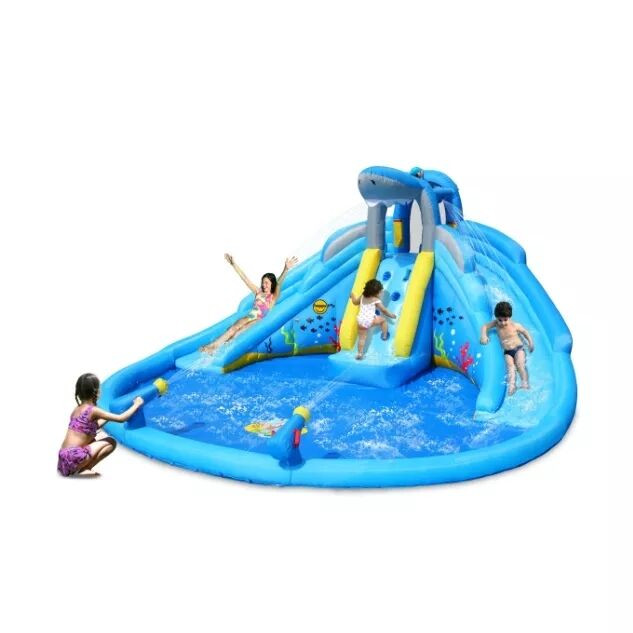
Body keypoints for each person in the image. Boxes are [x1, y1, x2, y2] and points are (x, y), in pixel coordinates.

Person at [200, 253, 299, 354]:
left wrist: (285, 269)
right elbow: (245, 278)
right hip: (249, 317)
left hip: (258, 320)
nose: (264, 285)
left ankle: (219, 350)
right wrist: (234, 264)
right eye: (263, 282)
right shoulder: (258, 292)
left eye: (266, 283)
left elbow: (278, 284)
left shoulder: (273, 297)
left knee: (237, 333)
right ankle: (213, 347)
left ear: (271, 284)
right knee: (232, 328)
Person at [58, 373, 144, 477]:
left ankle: (79, 467)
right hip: (75, 457)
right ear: (96, 391)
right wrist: (136, 404)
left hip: (63, 458)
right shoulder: (93, 410)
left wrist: (109, 416)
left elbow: (89, 427)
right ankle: (85, 469)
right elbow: (121, 419)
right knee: (111, 442)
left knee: (95, 438)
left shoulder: (76, 409)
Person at [480, 301, 535, 395]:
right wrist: (483, 336)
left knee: (520, 365)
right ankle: (512, 386)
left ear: (510, 317)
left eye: (505, 320)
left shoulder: (515, 325)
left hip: (518, 349)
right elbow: (485, 326)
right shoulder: (495, 324)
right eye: (500, 320)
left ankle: (525, 383)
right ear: (496, 317)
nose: (502, 323)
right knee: (510, 367)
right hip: (507, 352)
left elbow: (525, 332)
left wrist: (531, 342)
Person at [349, 279, 397, 360]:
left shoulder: (362, 296)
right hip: (370, 321)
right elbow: (384, 310)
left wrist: (352, 296)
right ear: (376, 293)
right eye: (380, 292)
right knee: (383, 320)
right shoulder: (376, 300)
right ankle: (384, 335)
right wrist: (391, 315)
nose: (381, 293)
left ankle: (359, 353)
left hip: (360, 321)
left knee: (361, 338)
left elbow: (355, 302)